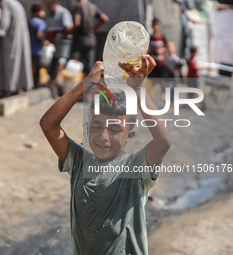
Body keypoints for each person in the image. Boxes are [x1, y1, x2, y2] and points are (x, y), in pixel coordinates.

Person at [40, 55, 171, 254]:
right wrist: (84, 85)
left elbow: (163, 142)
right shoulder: (78, 163)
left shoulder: (134, 167)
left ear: (130, 135)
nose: (103, 137)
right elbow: (48, 125)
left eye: (115, 130)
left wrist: (137, 88)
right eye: (96, 126)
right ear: (88, 127)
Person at [0, 0, 33, 96]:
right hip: (19, 39)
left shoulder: (6, 3)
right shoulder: (16, 3)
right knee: (19, 63)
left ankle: (12, 88)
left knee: (11, 64)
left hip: (12, 40)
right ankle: (18, 87)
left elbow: (4, 24)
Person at [71, 0, 109, 74]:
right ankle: (90, 84)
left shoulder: (78, 6)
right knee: (90, 66)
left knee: (73, 64)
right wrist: (93, 30)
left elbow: (77, 23)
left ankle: (75, 84)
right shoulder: (93, 6)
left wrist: (68, 32)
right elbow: (104, 19)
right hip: (91, 40)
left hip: (79, 40)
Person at [45, 0, 74, 86]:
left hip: (62, 40)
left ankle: (58, 76)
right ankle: (52, 79)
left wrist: (63, 35)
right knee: (52, 59)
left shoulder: (63, 12)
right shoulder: (49, 14)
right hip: (52, 40)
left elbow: (69, 27)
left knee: (61, 58)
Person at [28, 3, 47, 88]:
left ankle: (30, 83)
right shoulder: (40, 23)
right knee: (37, 67)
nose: (44, 13)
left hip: (28, 49)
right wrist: (44, 41)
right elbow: (39, 35)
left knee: (30, 68)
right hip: (36, 49)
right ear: (37, 12)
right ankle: (37, 83)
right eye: (42, 11)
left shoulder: (29, 21)